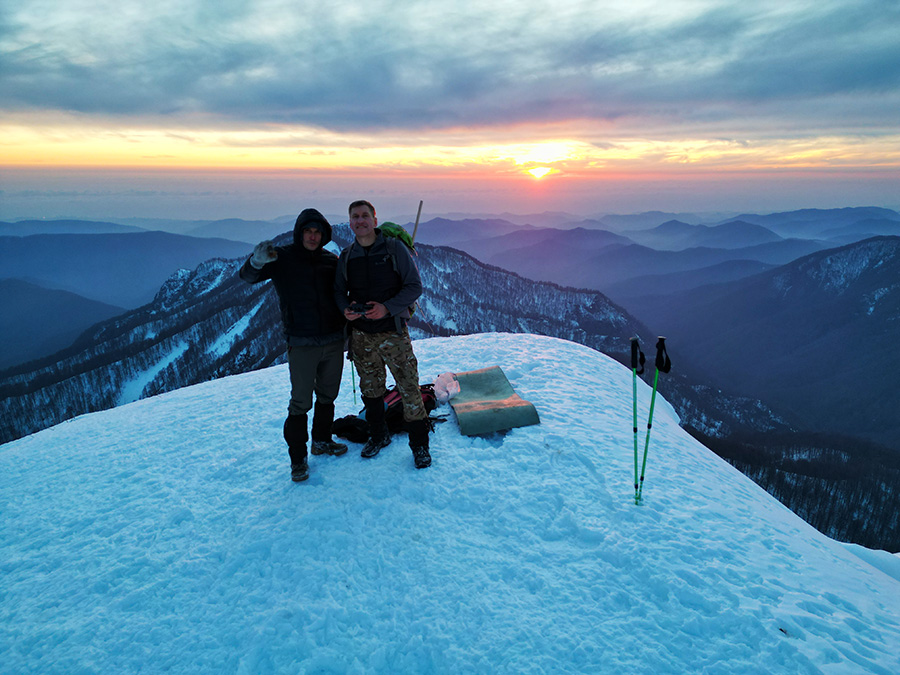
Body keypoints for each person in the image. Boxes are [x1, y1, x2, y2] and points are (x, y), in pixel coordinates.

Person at [239, 208, 348, 482]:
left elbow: (341, 295)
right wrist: (256, 261)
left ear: (324, 236)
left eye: (317, 232)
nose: (313, 236)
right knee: (300, 403)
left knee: (327, 396)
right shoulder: (283, 258)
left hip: (334, 340)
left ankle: (321, 441)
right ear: (299, 233)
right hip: (302, 343)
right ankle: (298, 459)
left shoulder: (330, 260)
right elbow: (248, 277)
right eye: (308, 231)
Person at [334, 199, 432, 469]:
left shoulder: (394, 249)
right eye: (355, 217)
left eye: (365, 216)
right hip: (362, 336)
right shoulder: (347, 256)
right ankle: (378, 436)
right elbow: (339, 292)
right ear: (350, 222)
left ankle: (420, 447)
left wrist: (387, 308)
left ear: (375, 220)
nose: (360, 221)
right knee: (371, 391)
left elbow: (414, 287)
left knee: (409, 388)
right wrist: (346, 310)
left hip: (393, 333)